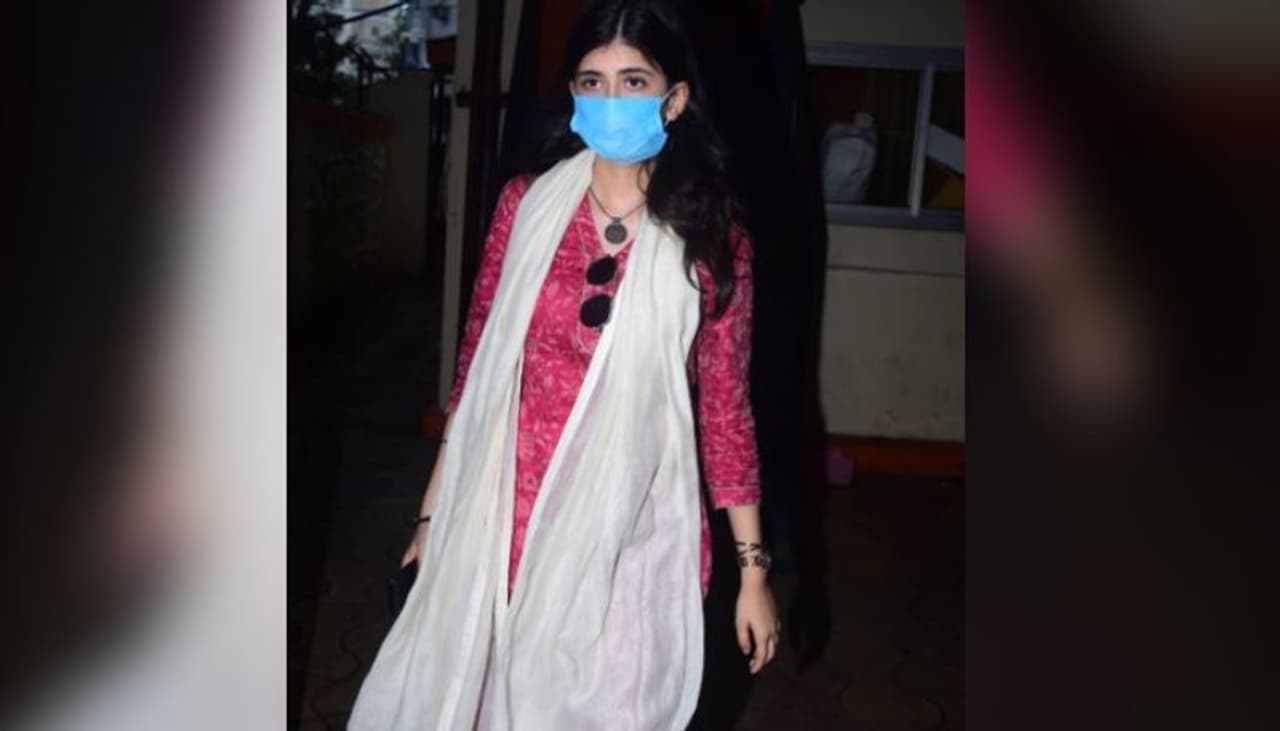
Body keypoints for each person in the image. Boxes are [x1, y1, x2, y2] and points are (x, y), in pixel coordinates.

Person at [347, 1, 777, 728]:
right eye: (592, 81)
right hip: (502, 517)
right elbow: (477, 373)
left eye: (634, 81)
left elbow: (726, 413)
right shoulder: (526, 206)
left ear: (674, 99)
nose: (611, 100)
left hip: (629, 528)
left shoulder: (712, 239)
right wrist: (431, 514)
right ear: (573, 94)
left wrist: (754, 573)